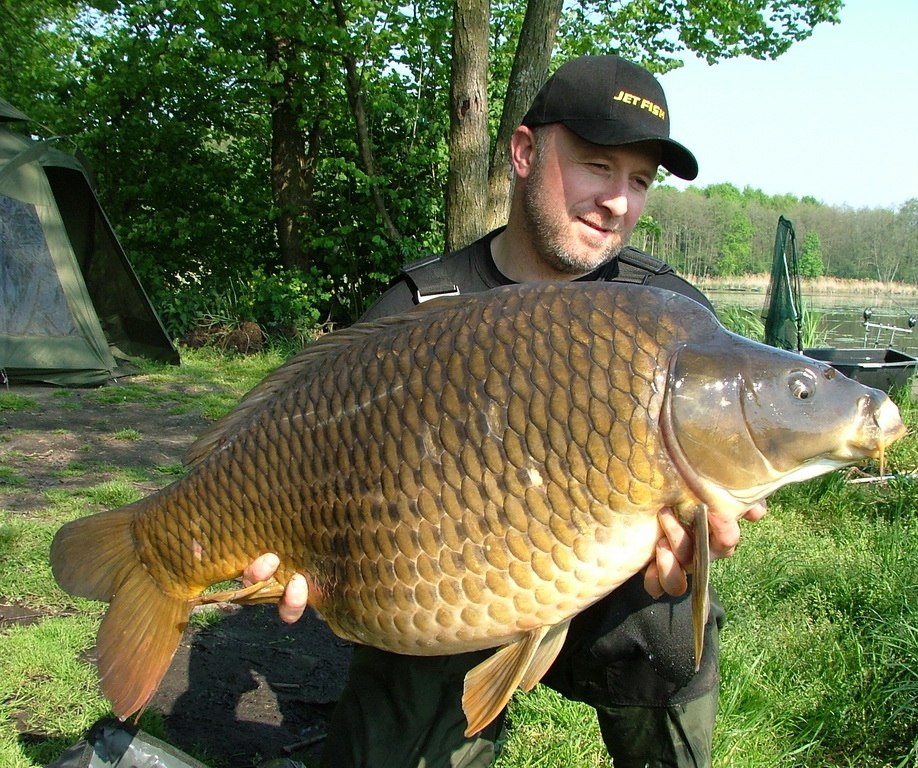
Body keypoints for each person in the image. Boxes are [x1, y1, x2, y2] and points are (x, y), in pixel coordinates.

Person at [246, 55, 767, 768]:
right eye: (596, 165)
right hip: (453, 584)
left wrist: (707, 526)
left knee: (671, 632)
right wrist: (295, 547)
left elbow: (720, 464)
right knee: (400, 651)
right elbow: (314, 464)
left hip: (608, 586)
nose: (618, 201)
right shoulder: (420, 309)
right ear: (524, 152)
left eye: (639, 181)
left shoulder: (670, 318)